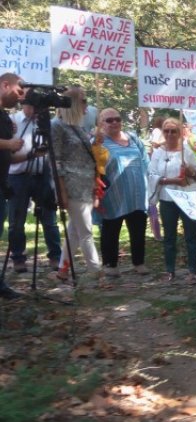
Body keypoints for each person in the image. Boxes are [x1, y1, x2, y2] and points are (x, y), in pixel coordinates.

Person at [50, 86, 103, 281]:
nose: (86, 106)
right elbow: (55, 161)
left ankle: (63, 270)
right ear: (72, 103)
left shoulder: (77, 126)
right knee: (86, 231)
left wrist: (95, 141)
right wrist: (61, 190)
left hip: (85, 183)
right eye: (83, 101)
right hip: (71, 185)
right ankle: (96, 270)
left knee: (75, 231)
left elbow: (83, 154)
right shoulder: (56, 125)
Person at [8, 104, 61, 273]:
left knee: (50, 219)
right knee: (16, 221)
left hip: (42, 174)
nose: (35, 108)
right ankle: (18, 257)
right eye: (31, 103)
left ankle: (55, 256)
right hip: (18, 175)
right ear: (24, 103)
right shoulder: (12, 121)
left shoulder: (46, 123)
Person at [98, 108, 150, 277]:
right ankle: (110, 264)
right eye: (109, 120)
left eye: (117, 119)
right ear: (101, 123)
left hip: (137, 193)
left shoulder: (133, 138)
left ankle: (139, 262)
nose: (114, 123)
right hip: (113, 193)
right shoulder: (98, 141)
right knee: (111, 229)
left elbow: (145, 161)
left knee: (138, 228)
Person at [149, 118, 196, 283]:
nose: (170, 134)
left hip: (186, 198)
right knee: (169, 237)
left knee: (191, 235)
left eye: (174, 131)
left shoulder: (187, 151)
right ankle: (170, 270)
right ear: (163, 132)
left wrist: (190, 170)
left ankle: (193, 271)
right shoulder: (158, 153)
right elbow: (152, 175)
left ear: (180, 133)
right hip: (167, 199)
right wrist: (171, 181)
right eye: (167, 131)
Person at [0, 72, 25, 299]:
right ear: (5, 85)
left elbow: (7, 155)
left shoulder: (5, 118)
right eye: (18, 91)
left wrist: (29, 155)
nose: (20, 97)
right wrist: (9, 143)